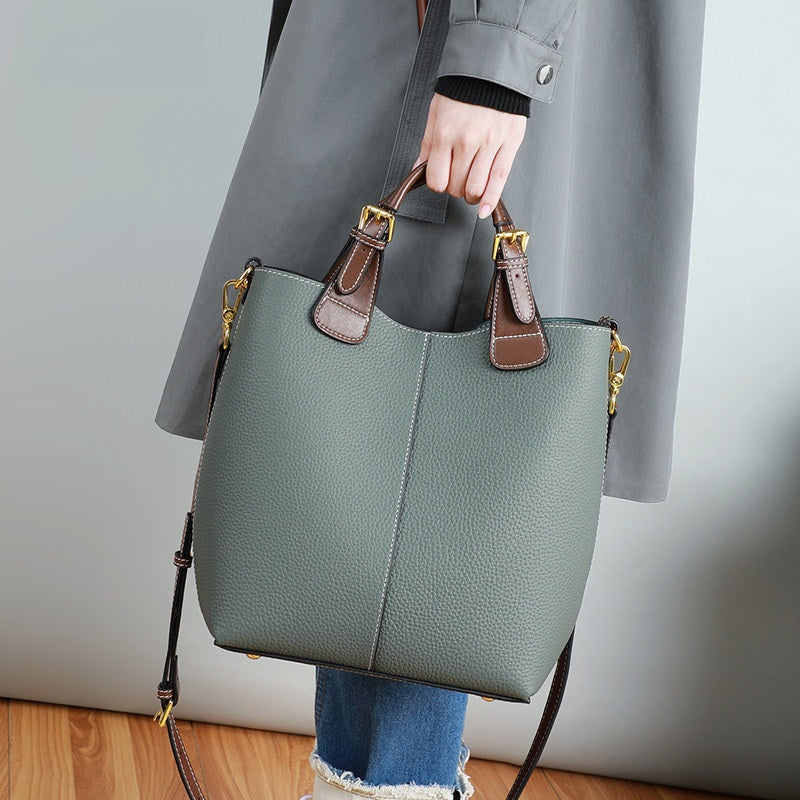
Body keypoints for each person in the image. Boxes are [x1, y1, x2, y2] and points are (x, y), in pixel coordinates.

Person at [153, 1, 705, 798]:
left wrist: (499, 58)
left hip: (477, 37)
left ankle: (390, 783)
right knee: (376, 433)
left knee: (424, 464)